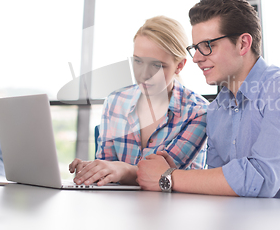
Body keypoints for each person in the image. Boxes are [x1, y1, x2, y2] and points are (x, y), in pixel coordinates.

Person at [137, 0, 280, 201]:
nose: (196, 58)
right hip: (244, 224)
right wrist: (175, 173)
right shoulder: (217, 109)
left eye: (207, 45)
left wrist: (170, 177)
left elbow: (260, 180)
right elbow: (221, 189)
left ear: (243, 44)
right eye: (195, 48)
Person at [69, 16, 208, 187]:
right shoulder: (115, 102)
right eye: (138, 61)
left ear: (179, 65)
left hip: (175, 208)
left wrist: (121, 170)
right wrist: (93, 170)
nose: (144, 74)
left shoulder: (198, 112)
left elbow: (165, 176)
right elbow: (107, 168)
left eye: (157, 65)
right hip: (120, 208)